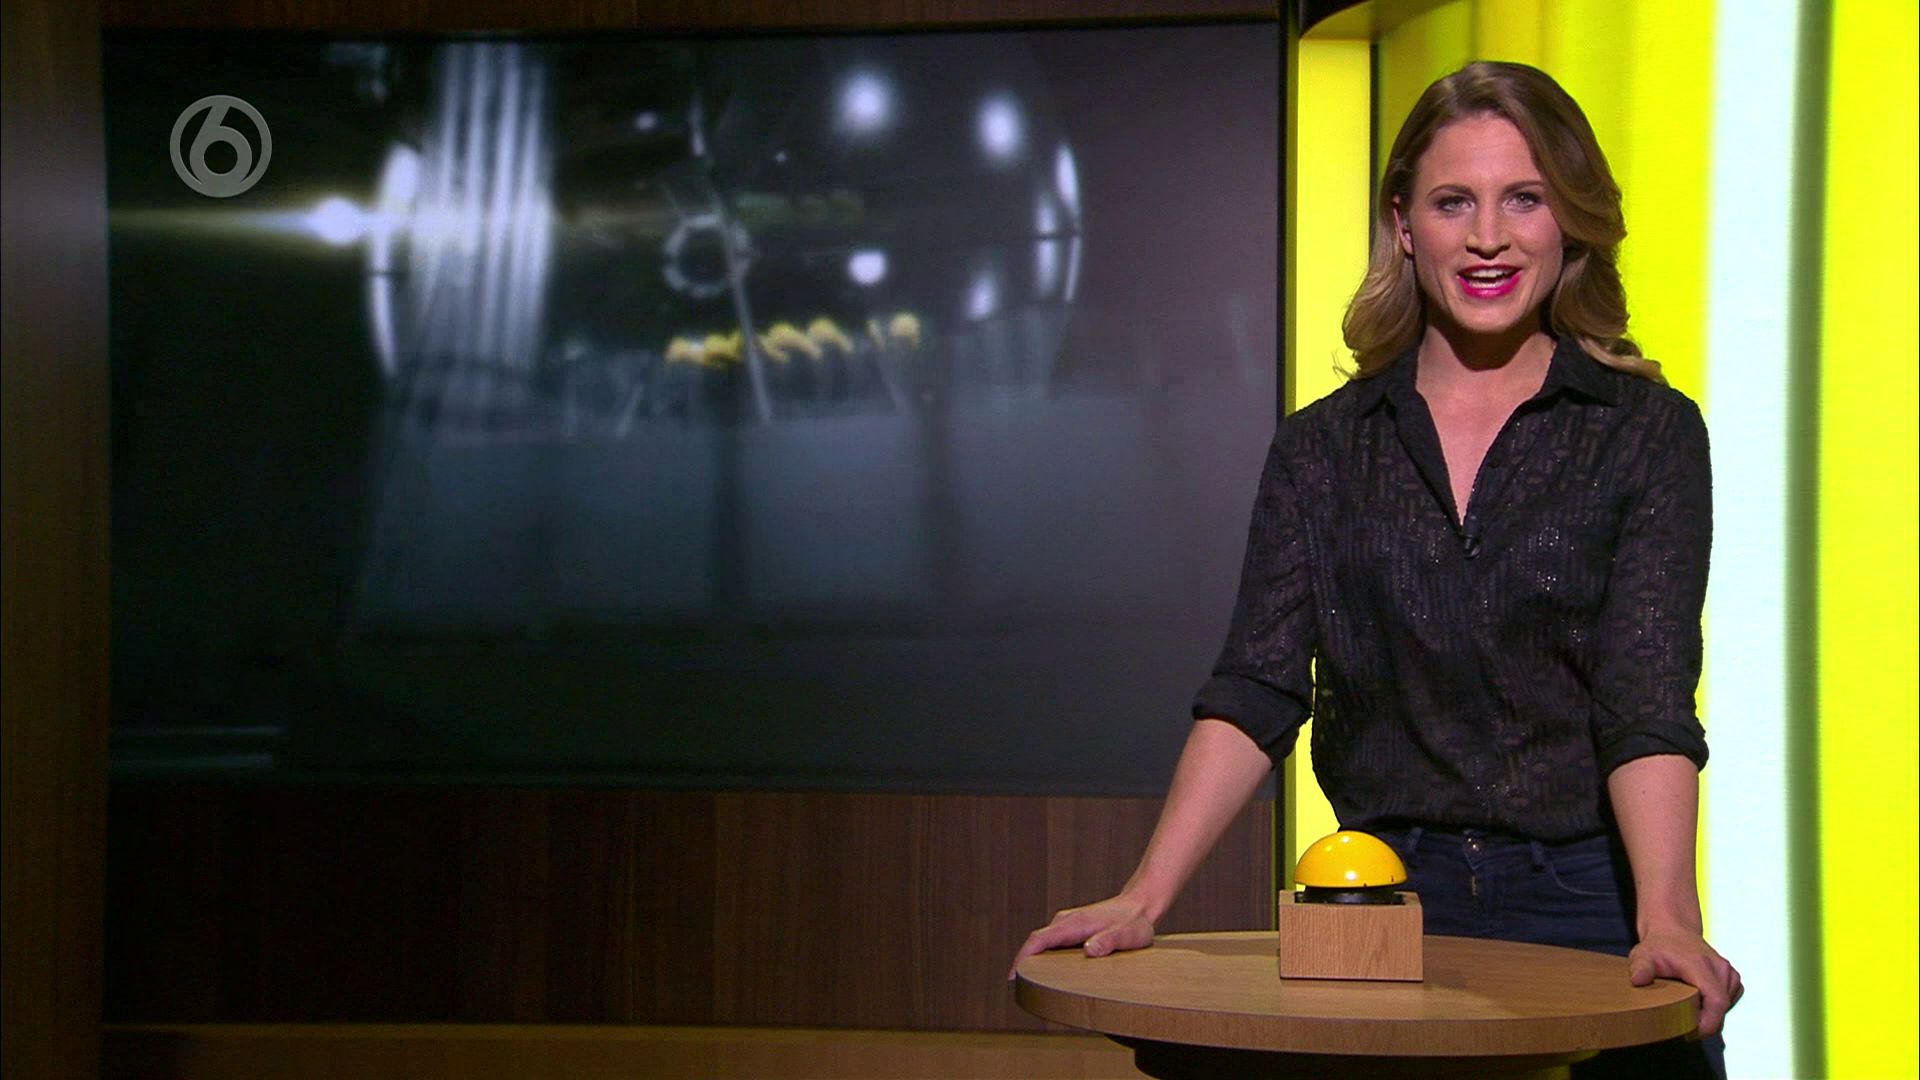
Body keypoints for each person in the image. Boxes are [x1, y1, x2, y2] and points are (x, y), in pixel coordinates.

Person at [1010, 61, 1741, 1078]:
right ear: (1404, 224)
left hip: (1590, 902)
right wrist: (1143, 896)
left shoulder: (1647, 434)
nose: (1488, 237)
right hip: (1378, 899)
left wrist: (1667, 916)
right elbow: (1257, 688)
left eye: (1524, 199)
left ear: (1568, 222)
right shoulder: (1322, 448)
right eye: (1454, 202)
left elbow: (1646, 703)